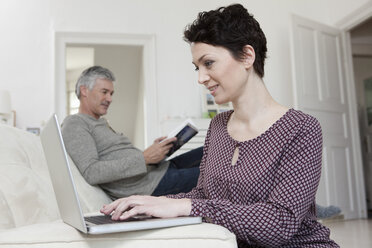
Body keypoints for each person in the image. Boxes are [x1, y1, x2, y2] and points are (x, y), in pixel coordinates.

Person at [101, 4, 339, 247]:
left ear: (247, 56)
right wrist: (149, 204)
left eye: (209, 63)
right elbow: (203, 196)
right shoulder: (218, 126)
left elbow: (279, 223)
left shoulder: (301, 128)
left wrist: (185, 206)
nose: (200, 78)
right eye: (197, 67)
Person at [61, 65, 203, 200]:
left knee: (213, 149)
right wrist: (144, 158)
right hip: (149, 186)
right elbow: (92, 172)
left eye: (111, 93)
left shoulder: (101, 122)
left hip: (158, 170)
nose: (110, 99)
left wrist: (154, 152)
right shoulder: (74, 123)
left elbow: (120, 156)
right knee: (217, 173)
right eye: (104, 92)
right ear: (84, 90)